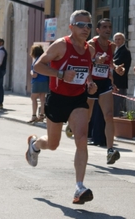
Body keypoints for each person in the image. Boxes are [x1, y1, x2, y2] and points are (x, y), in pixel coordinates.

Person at [25, 10, 98, 204]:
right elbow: (38, 67)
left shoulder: (89, 50)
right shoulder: (61, 45)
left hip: (78, 99)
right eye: (81, 25)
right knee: (53, 144)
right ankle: (35, 145)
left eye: (89, 25)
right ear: (71, 27)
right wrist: (60, 75)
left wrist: (90, 83)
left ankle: (79, 187)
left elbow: (87, 72)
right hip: (57, 99)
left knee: (82, 139)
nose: (86, 29)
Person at [87, 19, 121, 163]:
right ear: (98, 30)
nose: (108, 29)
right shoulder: (91, 45)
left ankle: (110, 150)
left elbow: (109, 63)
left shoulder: (112, 46)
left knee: (108, 115)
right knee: (86, 118)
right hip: (91, 82)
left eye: (110, 27)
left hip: (104, 82)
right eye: (104, 27)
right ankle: (81, 147)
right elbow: (85, 63)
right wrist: (96, 61)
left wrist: (116, 69)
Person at [28, 44, 49, 123]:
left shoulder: (37, 60)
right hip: (44, 80)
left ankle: (34, 115)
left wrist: (32, 73)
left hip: (37, 81)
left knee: (33, 98)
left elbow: (35, 73)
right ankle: (41, 115)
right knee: (42, 98)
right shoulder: (43, 60)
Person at [112, 32, 131, 117]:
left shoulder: (125, 51)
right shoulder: (116, 50)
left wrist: (108, 60)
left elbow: (118, 62)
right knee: (113, 106)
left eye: (119, 39)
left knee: (118, 106)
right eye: (115, 39)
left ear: (123, 40)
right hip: (114, 82)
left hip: (120, 83)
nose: (117, 41)